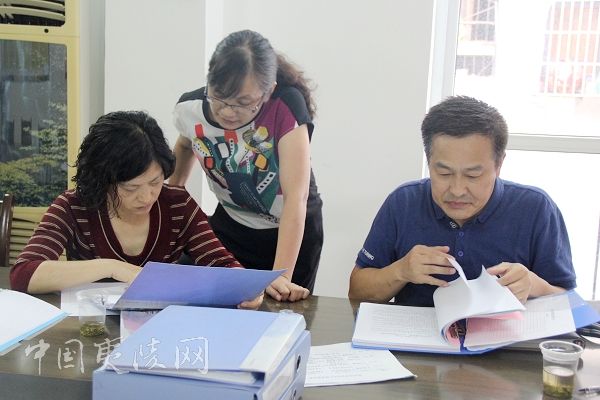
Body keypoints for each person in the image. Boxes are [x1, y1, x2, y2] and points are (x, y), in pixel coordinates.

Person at [10, 110, 262, 309]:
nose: (147, 196)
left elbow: (220, 262)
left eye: (155, 182)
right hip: (89, 331)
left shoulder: (177, 204)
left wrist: (246, 287)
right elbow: (24, 274)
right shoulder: (73, 206)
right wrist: (113, 267)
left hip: (159, 329)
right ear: (102, 180)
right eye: (131, 188)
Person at [348, 96, 576, 307]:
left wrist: (535, 286)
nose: (457, 191)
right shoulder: (403, 203)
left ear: (499, 165)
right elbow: (356, 292)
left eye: (472, 175)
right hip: (414, 337)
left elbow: (571, 303)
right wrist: (401, 271)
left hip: (506, 337)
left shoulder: (536, 209)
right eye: (444, 173)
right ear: (429, 162)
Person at [171, 30, 323, 302]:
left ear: (268, 91)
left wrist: (281, 276)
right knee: (208, 301)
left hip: (287, 233)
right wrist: (173, 196)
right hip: (233, 224)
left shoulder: (285, 107)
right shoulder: (189, 108)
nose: (228, 112)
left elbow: (296, 199)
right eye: (219, 98)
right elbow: (185, 146)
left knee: (278, 310)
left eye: (243, 103)